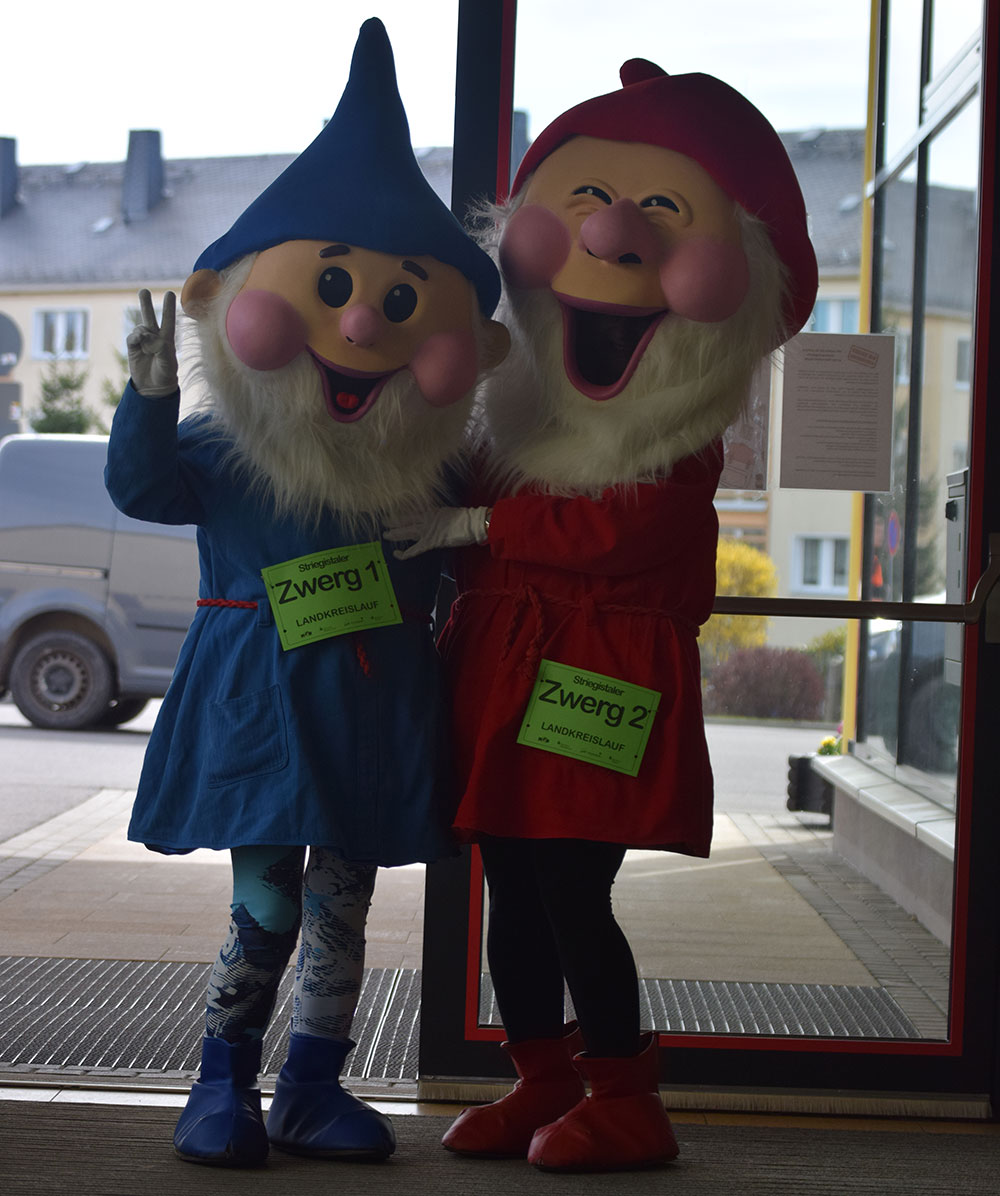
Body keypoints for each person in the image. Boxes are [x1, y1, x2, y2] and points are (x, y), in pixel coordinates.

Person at [387, 57, 817, 1172]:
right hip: (500, 664)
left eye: (662, 211)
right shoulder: (512, 410)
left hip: (598, 673)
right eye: (584, 202)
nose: (615, 234)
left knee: (574, 887)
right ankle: (541, 1077)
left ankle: (628, 1096)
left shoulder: (680, 432)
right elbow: (444, 495)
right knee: (511, 888)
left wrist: (481, 527)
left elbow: (627, 531)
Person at [105, 18, 507, 1169]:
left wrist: (477, 523)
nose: (361, 322)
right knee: (268, 900)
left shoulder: (433, 467)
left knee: (342, 906)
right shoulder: (230, 451)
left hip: (370, 703)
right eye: (330, 285)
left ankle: (314, 1086)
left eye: (399, 300)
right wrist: (147, 396)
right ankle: (220, 1078)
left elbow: (501, 550)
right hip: (259, 700)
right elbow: (144, 487)